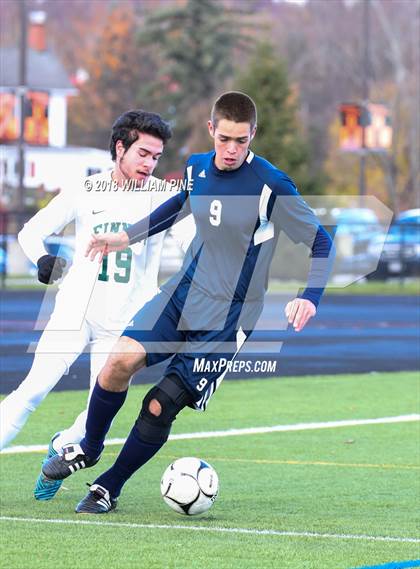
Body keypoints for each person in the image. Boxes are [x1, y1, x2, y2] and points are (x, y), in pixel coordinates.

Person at [42, 92, 334, 514]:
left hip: (228, 316)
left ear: (253, 135)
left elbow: (321, 241)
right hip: (182, 294)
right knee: (118, 361)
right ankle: (88, 446)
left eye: (241, 141)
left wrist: (310, 297)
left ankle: (108, 486)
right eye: (224, 139)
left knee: (160, 404)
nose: (231, 150)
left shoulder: (271, 184)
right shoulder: (197, 168)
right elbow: (179, 205)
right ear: (212, 130)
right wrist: (125, 237)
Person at [0, 110, 195, 502]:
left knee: (94, 418)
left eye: (156, 156)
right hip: (75, 310)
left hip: (124, 323)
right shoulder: (86, 189)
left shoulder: (165, 198)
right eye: (142, 153)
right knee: (31, 391)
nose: (149, 163)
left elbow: (194, 246)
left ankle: (61, 447)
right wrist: (42, 259)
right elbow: (32, 231)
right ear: (119, 147)